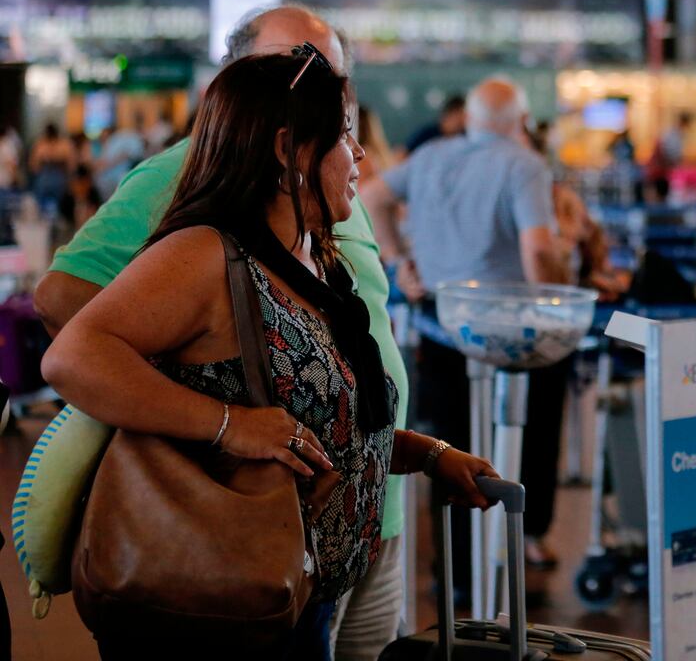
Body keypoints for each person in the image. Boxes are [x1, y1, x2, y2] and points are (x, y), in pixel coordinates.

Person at [41, 50, 496, 660]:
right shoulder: (206, 256)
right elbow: (72, 358)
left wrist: (431, 455)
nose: (360, 155)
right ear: (288, 150)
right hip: (215, 602)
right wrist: (229, 426)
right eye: (343, 137)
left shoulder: (316, 259)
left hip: (297, 596)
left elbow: (323, 424)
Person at [361, 77, 568, 594]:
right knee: (529, 432)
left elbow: (371, 197)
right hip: (511, 327)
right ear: (520, 122)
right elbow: (539, 253)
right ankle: (516, 548)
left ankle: (456, 572)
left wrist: (398, 260)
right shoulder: (525, 165)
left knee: (446, 444)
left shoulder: (431, 157)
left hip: (440, 320)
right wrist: (561, 294)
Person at [94, 117, 145, 201]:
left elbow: (126, 154)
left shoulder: (117, 140)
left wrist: (110, 164)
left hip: (116, 176)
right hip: (110, 177)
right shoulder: (111, 143)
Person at [28, 122, 75, 215]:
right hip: (45, 177)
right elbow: (33, 165)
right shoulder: (41, 144)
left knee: (60, 201)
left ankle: (58, 216)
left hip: (60, 177)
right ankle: (43, 215)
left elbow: (71, 164)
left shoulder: (64, 144)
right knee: (41, 198)